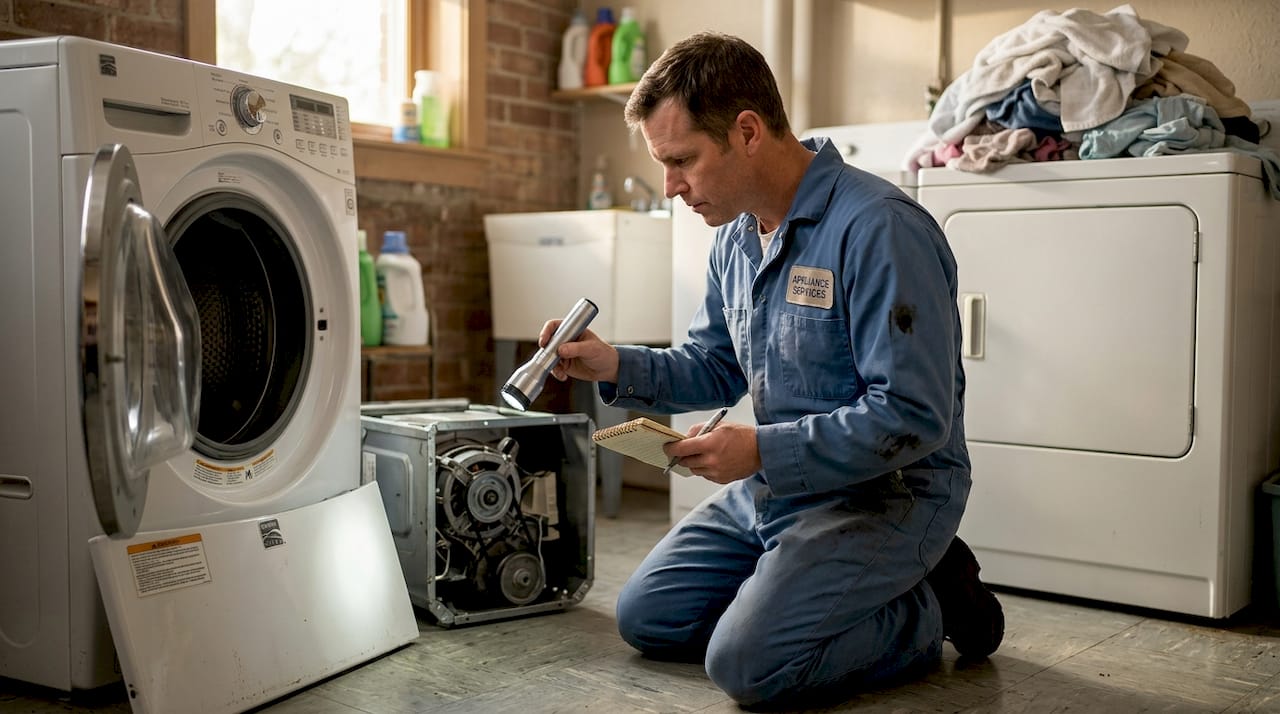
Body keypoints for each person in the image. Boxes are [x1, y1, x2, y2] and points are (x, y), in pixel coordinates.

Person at [538, 31, 1003, 710]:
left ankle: (929, 604)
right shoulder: (736, 238)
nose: (671, 187)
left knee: (747, 666)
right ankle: (809, 591)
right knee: (648, 618)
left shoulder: (881, 228)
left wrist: (760, 450)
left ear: (748, 132)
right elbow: (712, 365)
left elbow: (913, 415)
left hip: (889, 494)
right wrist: (612, 362)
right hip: (782, 487)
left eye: (682, 161)